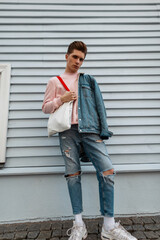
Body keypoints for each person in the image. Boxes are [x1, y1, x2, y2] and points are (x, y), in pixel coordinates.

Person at [42, 41, 137, 240]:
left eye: (81, 59)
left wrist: (103, 132)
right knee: (72, 175)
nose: (78, 61)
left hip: (91, 131)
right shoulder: (55, 81)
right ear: (66, 56)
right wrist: (62, 99)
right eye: (75, 57)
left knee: (107, 171)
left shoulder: (88, 80)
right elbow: (46, 108)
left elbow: (99, 106)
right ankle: (78, 225)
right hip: (68, 132)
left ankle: (109, 227)